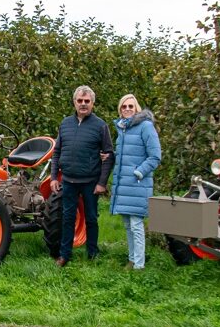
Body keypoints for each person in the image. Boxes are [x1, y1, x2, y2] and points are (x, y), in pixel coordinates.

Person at [49, 85, 113, 267]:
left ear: (92, 103)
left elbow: (108, 155)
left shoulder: (100, 126)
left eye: (87, 101)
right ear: (74, 102)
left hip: (90, 182)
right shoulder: (65, 123)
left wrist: (102, 182)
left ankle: (92, 253)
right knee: (68, 218)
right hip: (68, 180)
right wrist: (54, 177)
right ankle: (64, 255)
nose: (83, 104)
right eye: (80, 101)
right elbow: (57, 151)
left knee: (91, 218)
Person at [110, 94, 161, 269]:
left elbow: (155, 157)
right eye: (124, 107)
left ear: (137, 108)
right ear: (120, 110)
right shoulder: (122, 128)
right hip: (124, 185)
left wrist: (139, 172)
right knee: (127, 225)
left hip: (137, 184)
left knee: (136, 225)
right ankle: (132, 259)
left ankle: (139, 265)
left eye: (131, 106)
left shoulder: (145, 127)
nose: (127, 109)